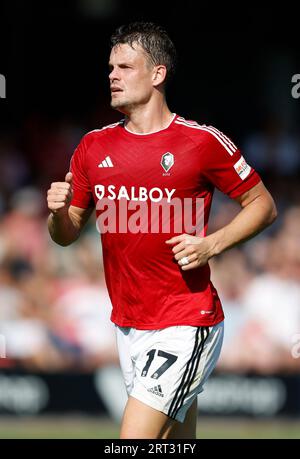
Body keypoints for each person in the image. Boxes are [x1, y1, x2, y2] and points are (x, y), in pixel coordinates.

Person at [47, 22, 277, 439]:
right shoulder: (92, 146)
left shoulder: (202, 141)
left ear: (158, 74)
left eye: (124, 67)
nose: (112, 75)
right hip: (127, 323)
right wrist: (57, 213)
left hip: (186, 319)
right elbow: (65, 234)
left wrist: (212, 244)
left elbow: (263, 205)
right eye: (110, 67)